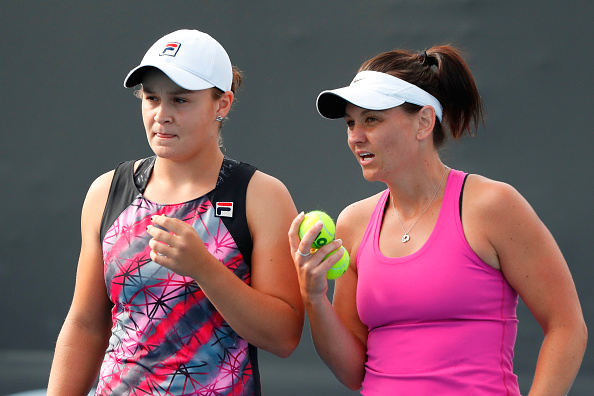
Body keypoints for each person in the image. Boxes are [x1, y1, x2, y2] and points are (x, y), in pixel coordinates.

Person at [288, 46, 587, 395]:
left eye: (372, 119)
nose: (355, 136)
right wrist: (315, 298)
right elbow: (354, 373)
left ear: (424, 122)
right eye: (351, 122)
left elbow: (566, 327)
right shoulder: (353, 222)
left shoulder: (492, 205)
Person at [47, 29, 304, 396]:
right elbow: (86, 324)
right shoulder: (107, 191)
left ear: (223, 104)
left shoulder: (261, 196)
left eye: (180, 101)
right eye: (151, 98)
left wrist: (203, 268)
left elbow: (284, 337)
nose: (161, 115)